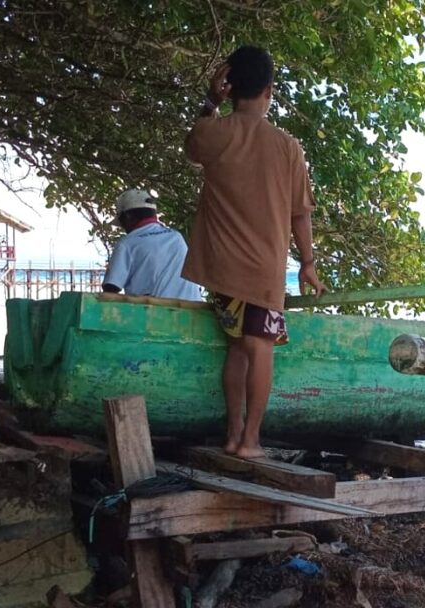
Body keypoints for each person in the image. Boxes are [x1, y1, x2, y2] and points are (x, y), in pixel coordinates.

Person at [182, 45, 326, 459]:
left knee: (235, 348)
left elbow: (192, 146)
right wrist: (309, 265)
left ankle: (231, 436)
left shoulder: (215, 132)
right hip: (264, 270)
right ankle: (250, 442)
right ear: (269, 90)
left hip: (223, 270)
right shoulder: (288, 147)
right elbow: (301, 215)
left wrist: (212, 99)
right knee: (259, 347)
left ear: (232, 85)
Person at [102, 189, 202, 301]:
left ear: (128, 217)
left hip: (156, 313)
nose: (124, 229)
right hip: (194, 310)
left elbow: (110, 288)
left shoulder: (127, 243)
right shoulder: (176, 237)